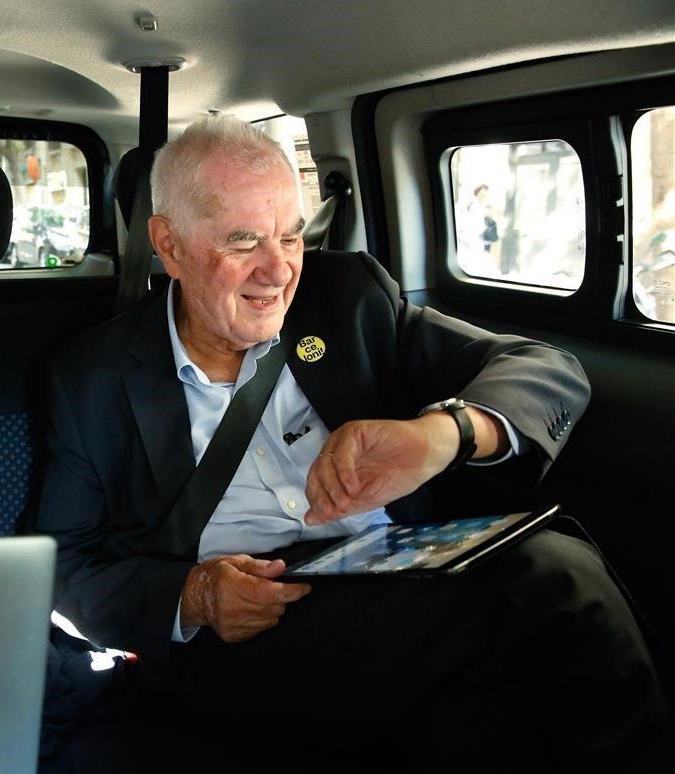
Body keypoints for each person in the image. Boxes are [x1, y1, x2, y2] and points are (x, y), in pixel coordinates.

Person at [36, 117, 669, 763]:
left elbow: (544, 367)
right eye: (243, 240)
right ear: (168, 246)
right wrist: (194, 596)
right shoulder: (93, 376)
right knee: (550, 575)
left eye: (290, 235)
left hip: (394, 578)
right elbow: (63, 568)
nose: (278, 269)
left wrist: (444, 433)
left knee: (482, 719)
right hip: (245, 639)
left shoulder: (346, 299)